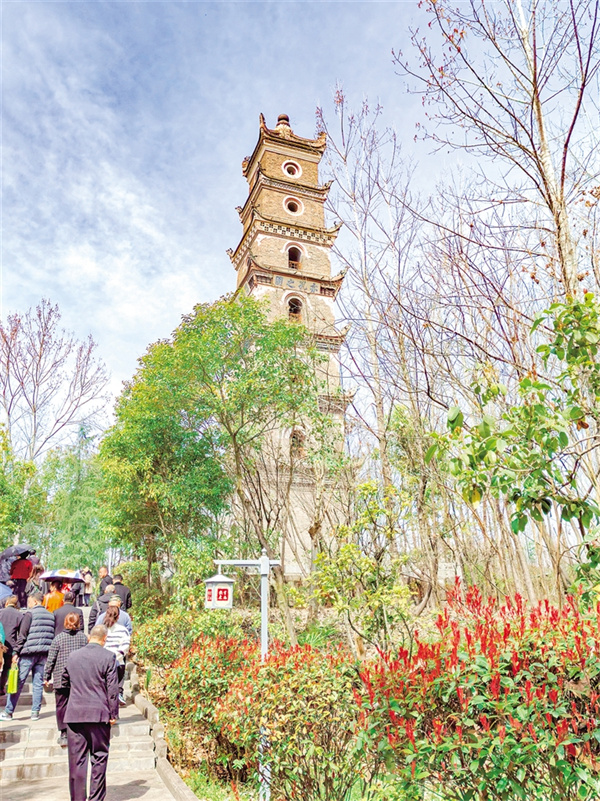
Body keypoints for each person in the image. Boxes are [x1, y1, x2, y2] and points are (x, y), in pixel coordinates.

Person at [62, 624, 119, 801]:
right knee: (99, 757)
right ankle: (96, 798)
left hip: (75, 714)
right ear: (104, 639)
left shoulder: (73, 656)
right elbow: (112, 689)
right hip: (99, 714)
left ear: (89, 637)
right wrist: (113, 714)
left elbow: (64, 681)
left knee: (76, 760)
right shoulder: (108, 656)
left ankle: (78, 798)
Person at [0, 592, 55, 720]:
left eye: (29, 602)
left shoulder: (29, 614)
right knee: (38, 683)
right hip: (43, 654)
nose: (28, 604)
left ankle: (8, 712)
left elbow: (22, 636)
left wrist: (16, 652)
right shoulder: (51, 615)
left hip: (28, 653)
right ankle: (35, 712)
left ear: (35, 601)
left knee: (18, 682)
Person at [43, 611, 88, 747]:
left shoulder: (58, 638)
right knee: (78, 704)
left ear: (65, 623)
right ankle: (77, 731)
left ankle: (64, 734)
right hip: (79, 678)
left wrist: (46, 676)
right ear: (78, 623)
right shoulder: (83, 638)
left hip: (61, 677)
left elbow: (51, 659)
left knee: (61, 705)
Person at [102, 605, 130, 706]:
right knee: (115, 687)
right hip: (118, 663)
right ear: (118, 617)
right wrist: (117, 656)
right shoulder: (123, 630)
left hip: (103, 663)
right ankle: (114, 708)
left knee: (105, 688)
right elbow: (125, 646)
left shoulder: (102, 630)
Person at [0, 596, 23, 696]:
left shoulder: (0, 612)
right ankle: (1, 687)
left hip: (0, 645)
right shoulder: (20, 615)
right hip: (11, 645)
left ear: (6, 603)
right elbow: (21, 634)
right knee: (6, 667)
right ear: (16, 604)